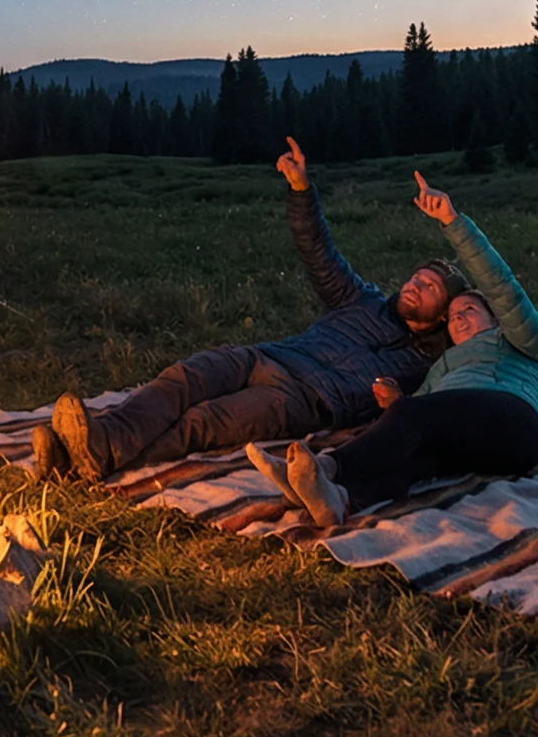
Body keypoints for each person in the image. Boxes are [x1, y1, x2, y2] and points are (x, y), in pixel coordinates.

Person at [38, 136, 466, 481]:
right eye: (415, 277)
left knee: (204, 422)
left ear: (445, 312)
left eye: (429, 287)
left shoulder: (429, 366)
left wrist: (394, 402)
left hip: (302, 399)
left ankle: (74, 461)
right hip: (267, 356)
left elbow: (424, 414)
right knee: (184, 379)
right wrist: (301, 190)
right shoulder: (362, 299)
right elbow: (319, 254)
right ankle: (100, 441)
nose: (415, 285)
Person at [251, 170, 538, 524]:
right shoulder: (443, 365)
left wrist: (452, 222)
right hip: (478, 445)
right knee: (414, 459)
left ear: (495, 317)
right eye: (453, 315)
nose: (459, 317)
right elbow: (420, 412)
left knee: (412, 415)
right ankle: (337, 499)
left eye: (470, 310)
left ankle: (326, 467)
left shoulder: (524, 342)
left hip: (515, 422)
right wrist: (395, 401)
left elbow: (501, 286)